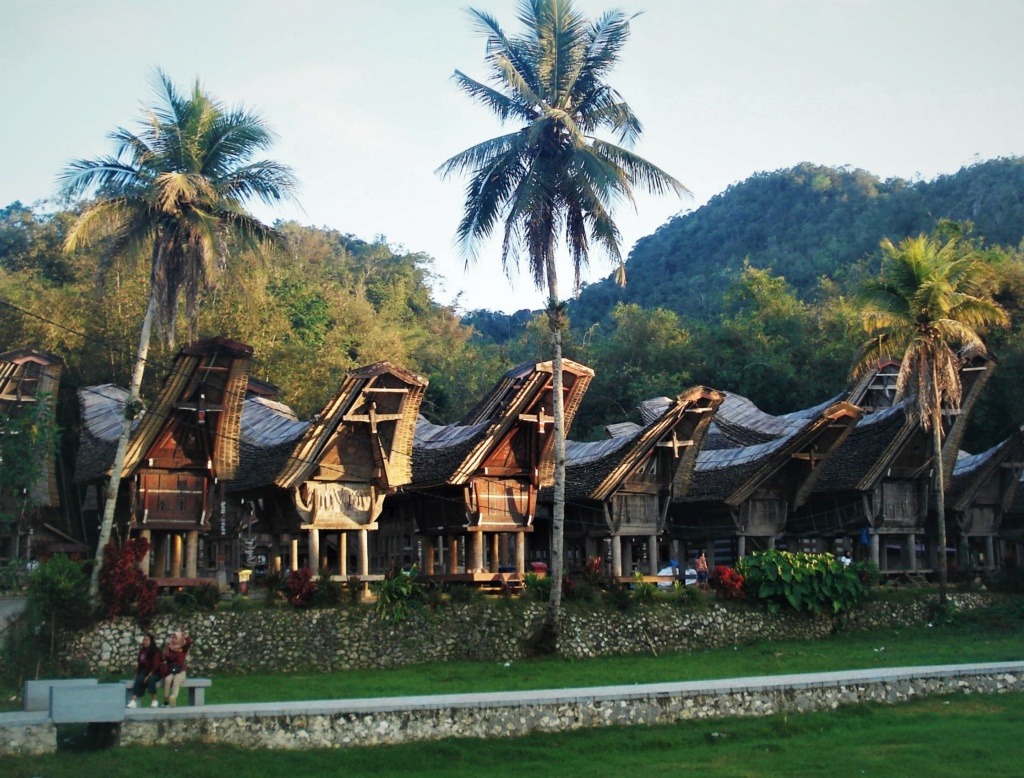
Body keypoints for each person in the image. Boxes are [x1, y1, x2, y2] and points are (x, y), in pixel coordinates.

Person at [126, 632, 162, 708]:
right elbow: (140, 664)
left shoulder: (155, 652)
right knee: (139, 680)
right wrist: (136, 674)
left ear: (151, 642)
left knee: (150, 680)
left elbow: (156, 666)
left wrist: (148, 676)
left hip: (155, 672)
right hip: (145, 670)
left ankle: (154, 700)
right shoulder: (142, 652)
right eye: (144, 640)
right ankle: (133, 700)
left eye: (146, 640)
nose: (144, 642)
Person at [161, 630, 194, 707]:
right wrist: (164, 654)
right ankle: (166, 700)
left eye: (176, 638)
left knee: (176, 681)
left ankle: (173, 697)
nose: (173, 639)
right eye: (173, 637)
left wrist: (185, 636)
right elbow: (163, 659)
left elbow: (189, 642)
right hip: (170, 669)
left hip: (180, 670)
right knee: (167, 680)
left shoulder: (183, 648)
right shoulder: (168, 648)